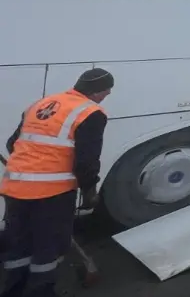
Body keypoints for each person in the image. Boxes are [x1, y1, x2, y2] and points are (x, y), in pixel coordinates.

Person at [2, 68, 114, 297]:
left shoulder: (42, 103)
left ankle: (13, 291)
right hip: (51, 194)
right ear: (96, 92)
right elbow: (86, 162)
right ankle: (39, 293)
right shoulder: (91, 113)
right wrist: (90, 191)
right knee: (48, 247)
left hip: (14, 188)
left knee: (19, 244)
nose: (107, 95)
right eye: (106, 91)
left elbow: (12, 144)